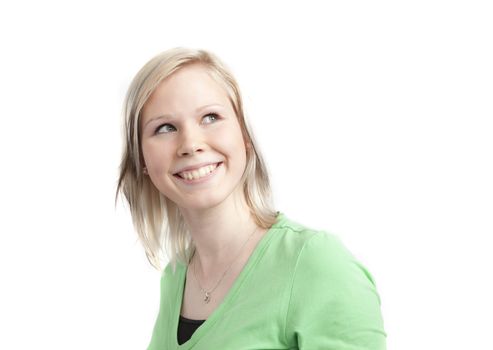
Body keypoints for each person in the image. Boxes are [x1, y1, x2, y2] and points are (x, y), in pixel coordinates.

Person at [116, 47, 386, 349]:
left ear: (244, 136)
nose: (190, 144)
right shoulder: (175, 277)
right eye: (165, 128)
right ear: (141, 158)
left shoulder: (314, 263)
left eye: (210, 117)